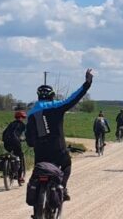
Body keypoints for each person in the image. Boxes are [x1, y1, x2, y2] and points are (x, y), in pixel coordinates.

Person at [25, 69, 94, 201]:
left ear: (38, 96)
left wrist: (32, 143)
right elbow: (73, 98)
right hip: (58, 150)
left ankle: (37, 210)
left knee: (39, 171)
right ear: (52, 96)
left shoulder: (31, 113)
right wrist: (87, 83)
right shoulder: (57, 106)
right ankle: (62, 188)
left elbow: (29, 136)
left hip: (40, 153)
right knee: (67, 164)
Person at [1, 110, 28, 185]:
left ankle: (9, 168)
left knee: (11, 154)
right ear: (22, 117)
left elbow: (4, 133)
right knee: (20, 157)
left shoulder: (11, 124)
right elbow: (23, 134)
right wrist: (25, 139)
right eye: (23, 117)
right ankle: (20, 177)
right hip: (16, 143)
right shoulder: (22, 125)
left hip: (6, 143)